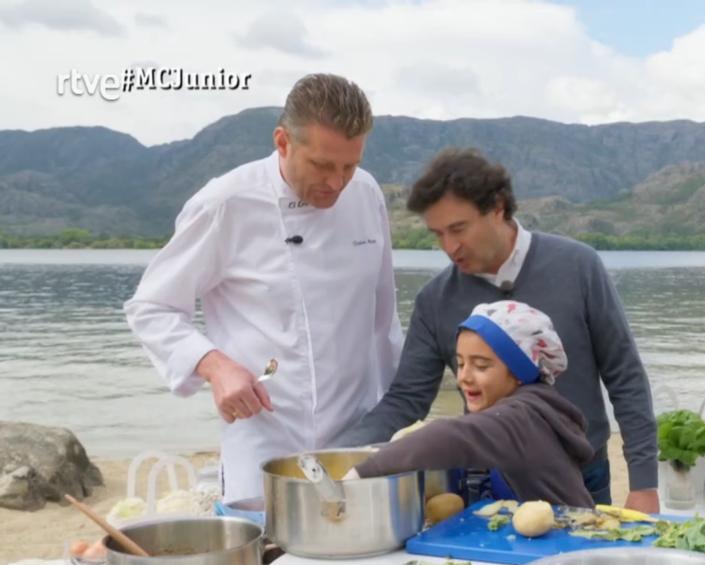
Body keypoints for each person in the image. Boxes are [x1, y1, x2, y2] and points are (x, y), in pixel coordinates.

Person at [124, 73, 404, 502]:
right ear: (282, 141)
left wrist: (397, 421)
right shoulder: (226, 203)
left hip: (358, 433)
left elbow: (383, 322)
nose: (336, 182)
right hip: (263, 437)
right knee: (265, 564)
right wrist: (215, 366)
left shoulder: (366, 194)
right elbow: (152, 307)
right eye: (322, 165)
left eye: (349, 165)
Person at [336, 148, 659, 512]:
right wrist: (337, 458)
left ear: (499, 208)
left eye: (458, 229)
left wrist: (644, 482)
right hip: (488, 483)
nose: (449, 247)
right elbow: (405, 400)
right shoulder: (435, 300)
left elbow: (625, 375)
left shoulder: (579, 266)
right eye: (437, 234)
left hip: (584, 474)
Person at [348, 301, 594, 507]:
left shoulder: (522, 417)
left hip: (565, 549)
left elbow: (451, 436)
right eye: (461, 363)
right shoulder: (521, 410)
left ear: (521, 371)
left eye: (481, 365)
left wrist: (362, 472)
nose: (464, 376)